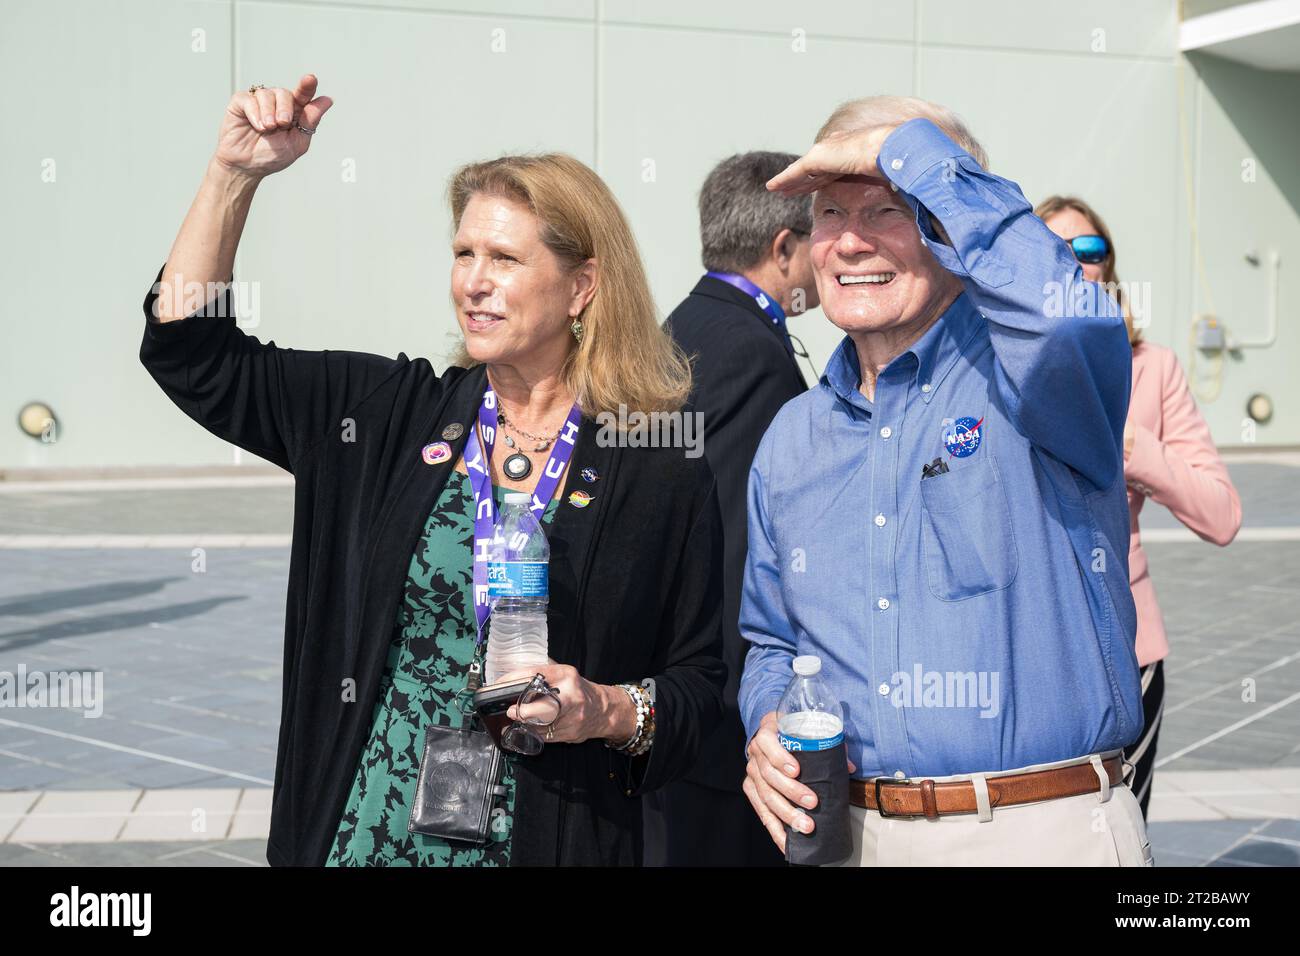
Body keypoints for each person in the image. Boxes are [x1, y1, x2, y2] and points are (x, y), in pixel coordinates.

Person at [139, 74, 725, 866]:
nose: (473, 282)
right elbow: (194, 354)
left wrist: (608, 711)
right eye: (463, 254)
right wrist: (231, 177)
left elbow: (697, 686)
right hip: (365, 832)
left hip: (547, 837)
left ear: (582, 285)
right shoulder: (384, 415)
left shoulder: (655, 465)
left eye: (505, 259)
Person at [738, 95, 1152, 865]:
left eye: (891, 208)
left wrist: (919, 154)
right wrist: (767, 721)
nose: (851, 242)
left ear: (955, 233)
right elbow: (771, 639)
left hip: (1038, 830)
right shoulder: (793, 436)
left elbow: (1061, 315)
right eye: (830, 214)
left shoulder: (1039, 382)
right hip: (850, 840)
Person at [1038, 195, 1242, 819]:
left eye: (1090, 250)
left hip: (1126, 649)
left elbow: (1222, 515)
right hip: (1026, 648)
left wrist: (1131, 443)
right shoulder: (992, 361)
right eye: (1055, 248)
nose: (1075, 262)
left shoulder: (1153, 369)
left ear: (1110, 267)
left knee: (1121, 833)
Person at [648, 152, 816, 867]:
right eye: (819, 235)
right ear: (783, 247)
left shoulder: (681, 326)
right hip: (715, 720)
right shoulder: (753, 350)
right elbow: (740, 540)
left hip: (664, 692)